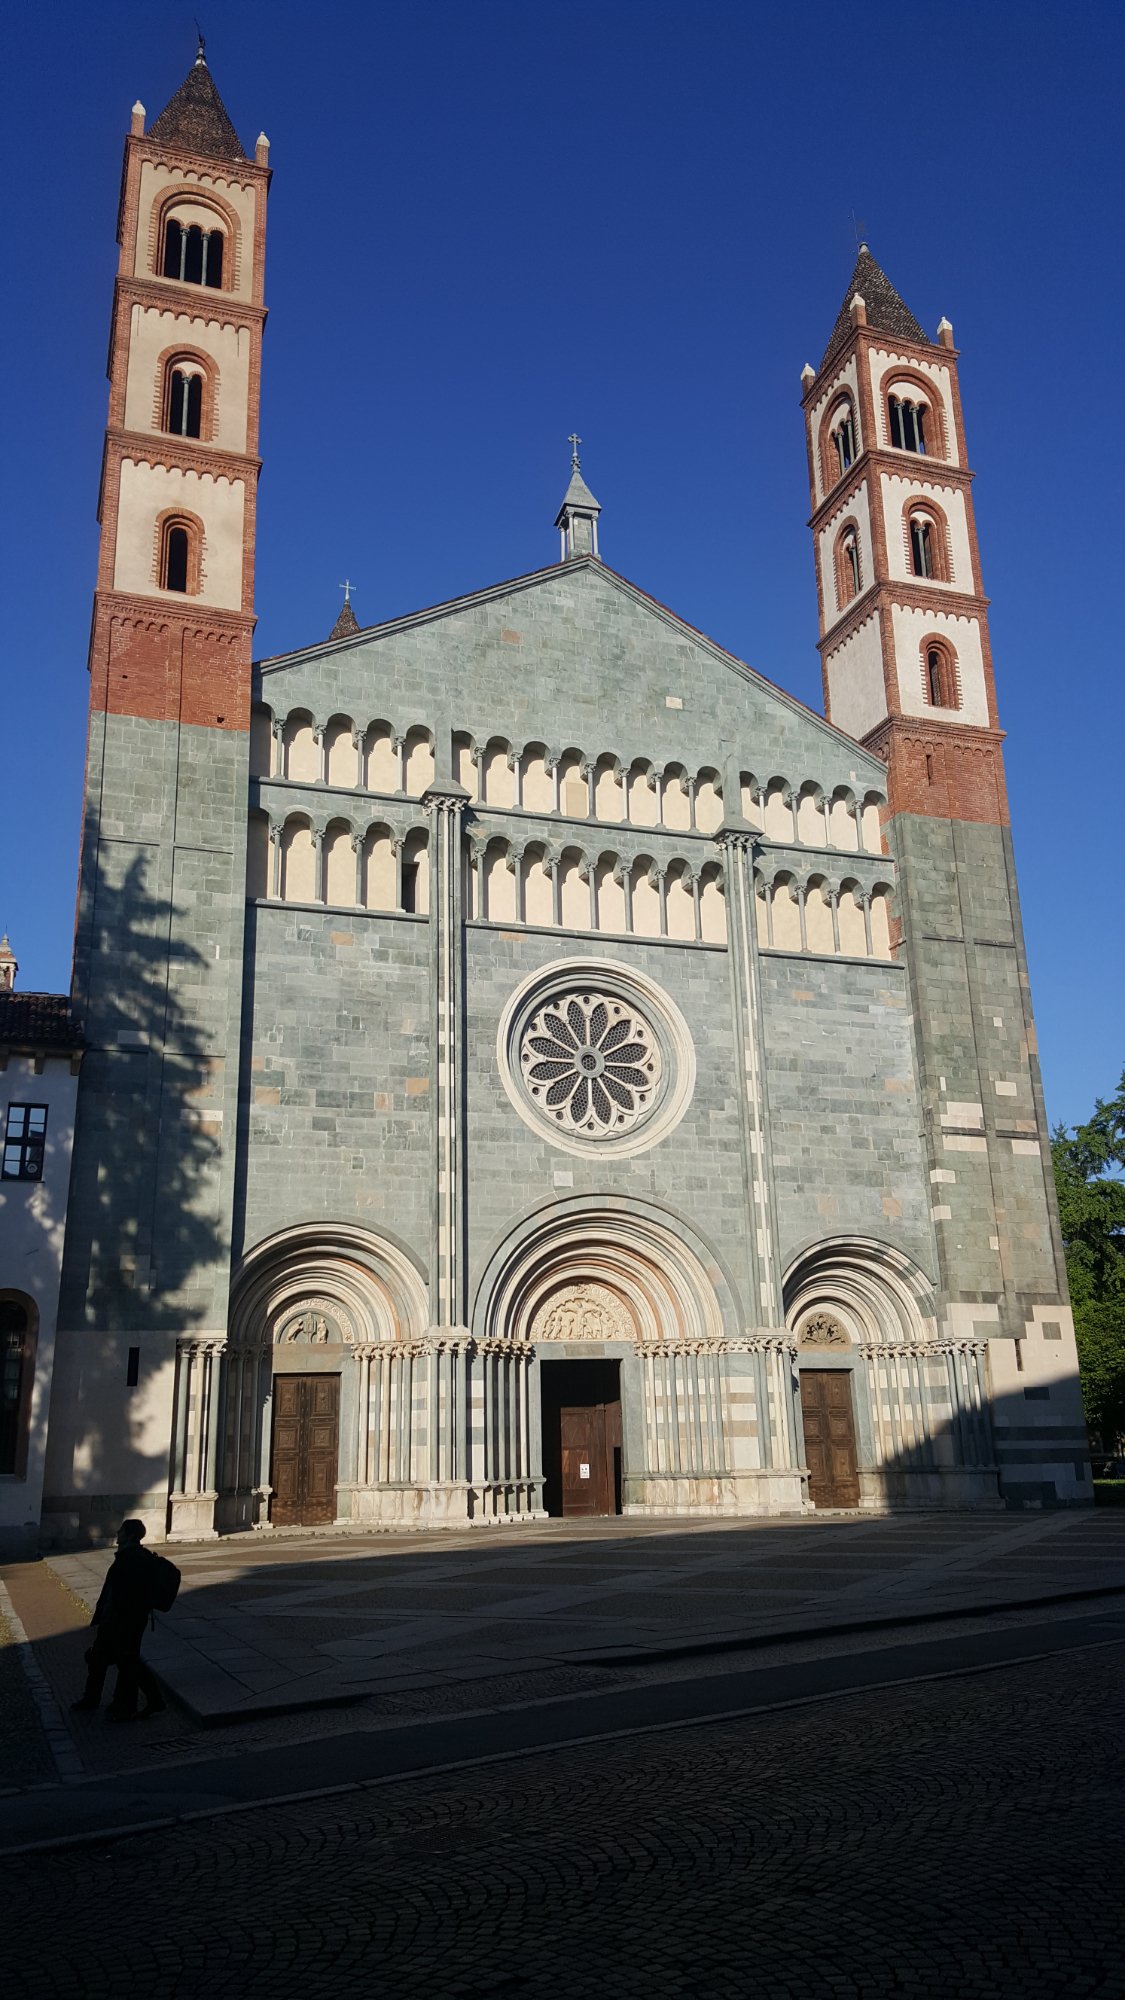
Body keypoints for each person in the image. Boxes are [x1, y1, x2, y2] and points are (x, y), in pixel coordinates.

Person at [71, 1518, 167, 1722]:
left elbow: (126, 1594)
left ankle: (135, 1703)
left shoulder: (133, 1559)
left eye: (122, 1530)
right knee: (104, 1658)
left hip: (124, 1620)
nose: (117, 1532)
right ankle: (96, 1699)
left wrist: (116, 1616)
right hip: (118, 1618)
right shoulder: (129, 1556)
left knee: (127, 1663)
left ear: (130, 1535)